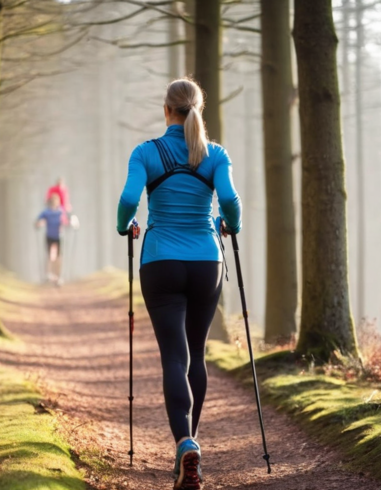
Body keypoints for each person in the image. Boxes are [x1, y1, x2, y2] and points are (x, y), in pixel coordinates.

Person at [116, 78, 242, 490]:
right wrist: (229, 225)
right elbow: (231, 203)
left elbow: (127, 202)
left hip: (161, 263)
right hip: (206, 262)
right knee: (197, 355)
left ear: (166, 110)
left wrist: (126, 226)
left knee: (175, 355)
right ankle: (192, 447)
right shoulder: (214, 155)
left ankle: (185, 442)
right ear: (198, 110)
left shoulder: (146, 152)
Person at [35, 194, 66, 286]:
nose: (55, 203)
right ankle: (49, 275)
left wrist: (70, 223)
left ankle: (58, 276)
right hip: (49, 236)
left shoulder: (60, 212)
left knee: (58, 257)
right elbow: (38, 221)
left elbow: (65, 221)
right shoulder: (46, 212)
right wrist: (39, 223)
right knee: (50, 256)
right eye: (53, 202)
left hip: (58, 236)